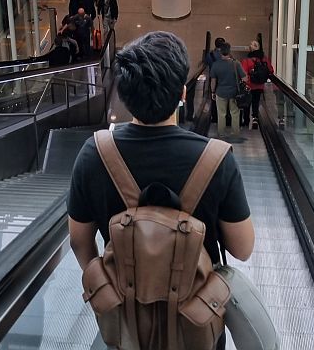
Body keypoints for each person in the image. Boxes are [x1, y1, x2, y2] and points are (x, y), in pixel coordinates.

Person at [68, 31, 254, 344]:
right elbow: (243, 248)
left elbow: (79, 241)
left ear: (124, 94)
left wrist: (111, 286)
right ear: (183, 92)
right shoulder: (217, 160)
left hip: (128, 328)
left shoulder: (94, 154)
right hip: (196, 328)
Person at [210, 43, 247, 140]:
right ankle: (235, 134)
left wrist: (213, 92)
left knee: (221, 114)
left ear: (220, 52)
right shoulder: (236, 63)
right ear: (229, 51)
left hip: (220, 92)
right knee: (235, 113)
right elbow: (245, 78)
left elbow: (213, 81)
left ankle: (221, 134)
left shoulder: (215, 64)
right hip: (234, 93)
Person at [240, 40, 274, 130]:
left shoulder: (247, 60)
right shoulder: (264, 59)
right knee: (256, 101)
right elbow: (271, 70)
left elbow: (243, 73)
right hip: (260, 85)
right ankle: (255, 118)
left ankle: (246, 120)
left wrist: (245, 83)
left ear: (250, 49)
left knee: (247, 102)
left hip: (249, 85)